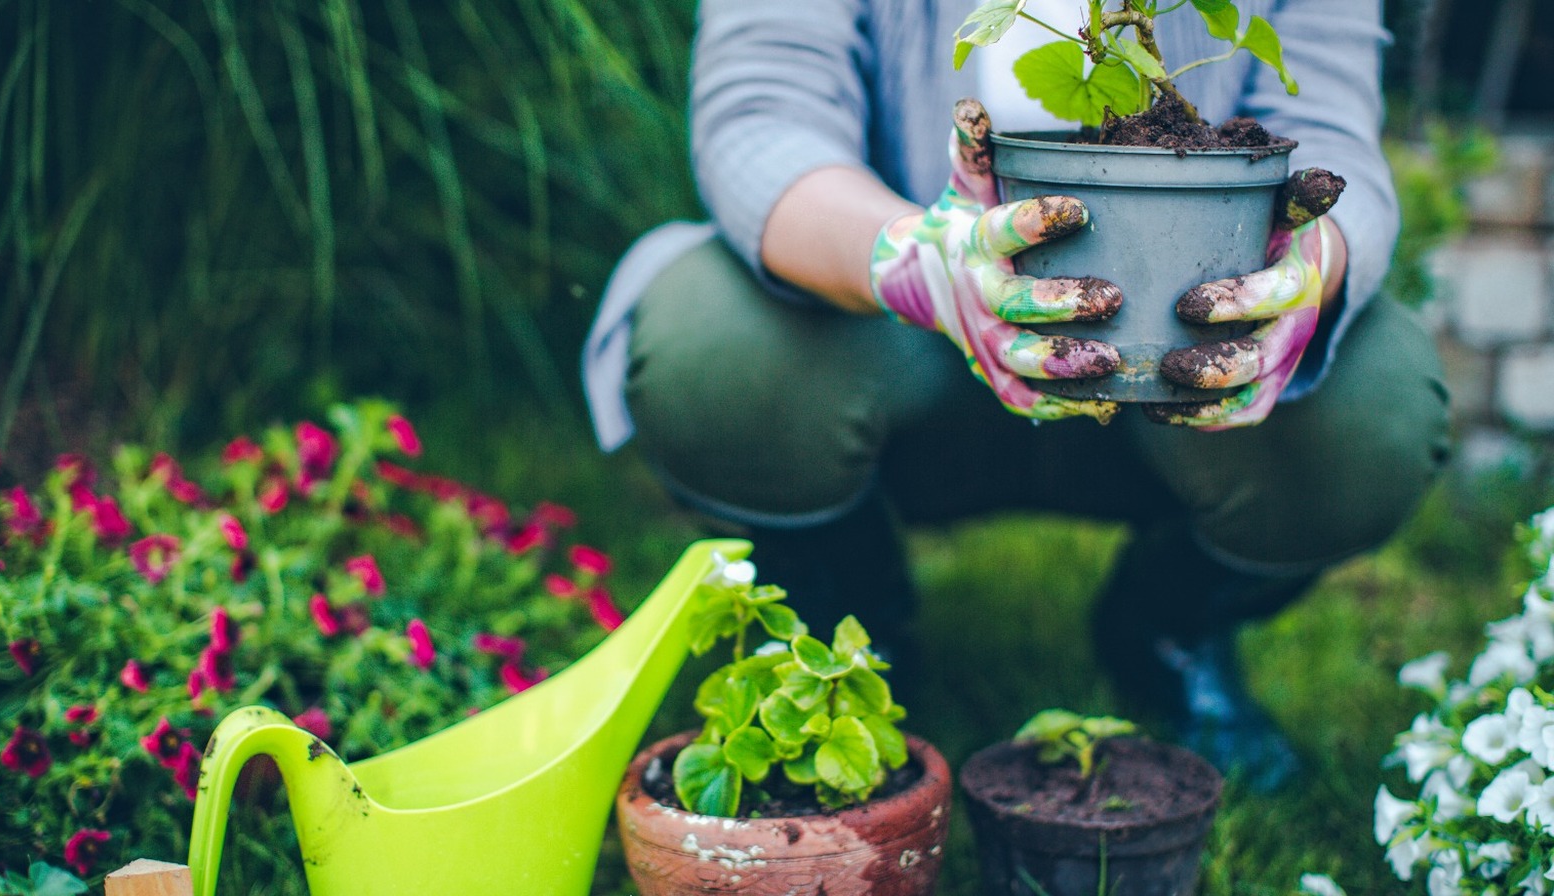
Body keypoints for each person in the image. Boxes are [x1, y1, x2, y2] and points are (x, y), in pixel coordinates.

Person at [581, 0, 1451, 791]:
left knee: (1373, 409)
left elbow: (1331, 135)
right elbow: (761, 122)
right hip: (891, 344)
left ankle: (1168, 625)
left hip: (1179, 354)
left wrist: (1311, 269)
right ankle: (850, 613)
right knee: (713, 345)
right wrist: (920, 262)